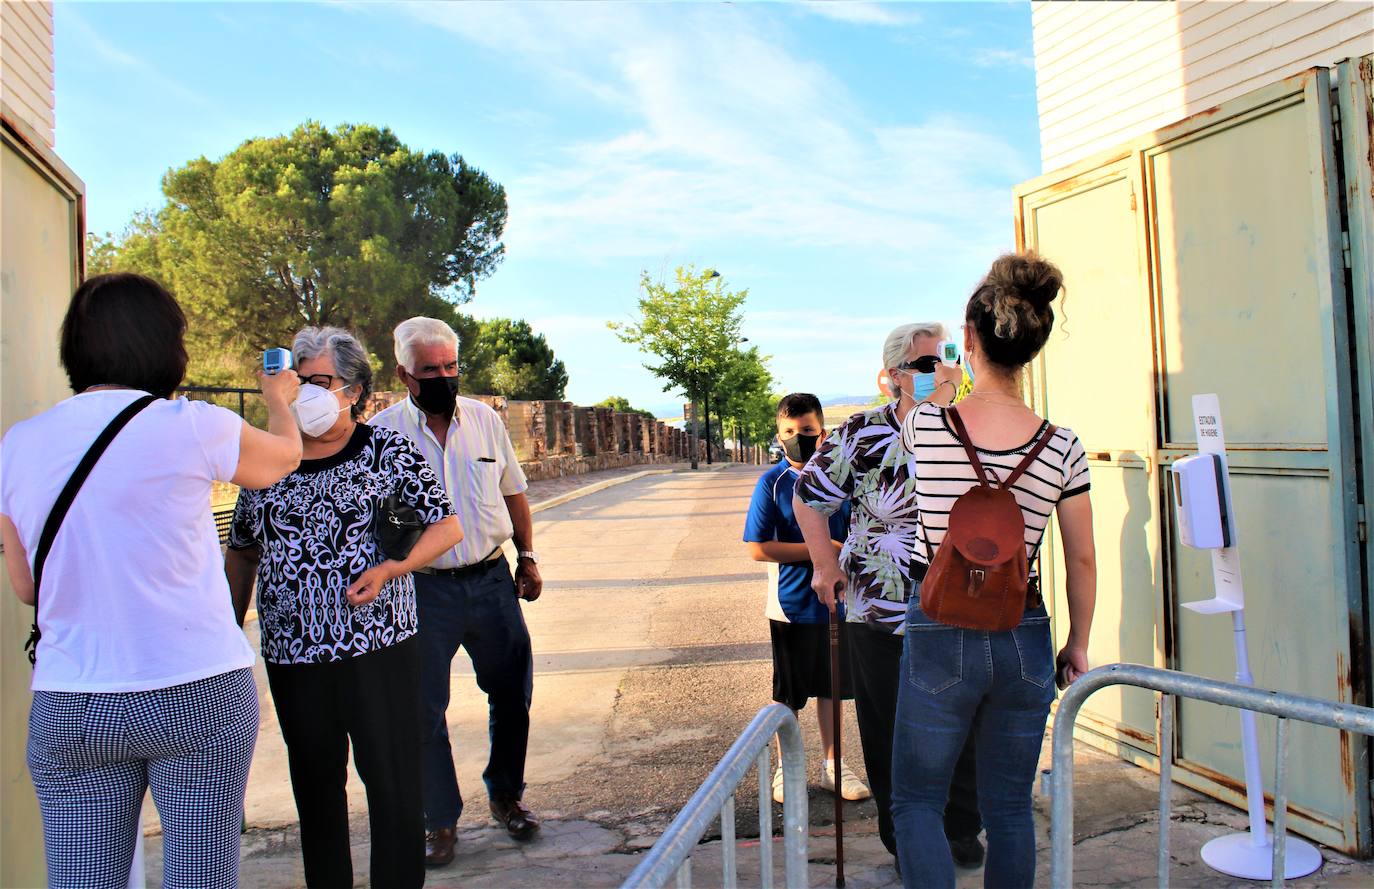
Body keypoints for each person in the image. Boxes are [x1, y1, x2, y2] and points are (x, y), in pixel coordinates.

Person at [0, 273, 302, 888]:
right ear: (165, 347)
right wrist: (279, 399)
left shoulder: (17, 445)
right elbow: (283, 461)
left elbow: (28, 588)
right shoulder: (191, 424)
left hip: (73, 701)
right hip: (196, 693)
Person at [225, 326, 461, 889]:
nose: (299, 392)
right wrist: (226, 627)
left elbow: (446, 526)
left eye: (316, 382)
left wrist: (393, 568)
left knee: (393, 783)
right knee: (315, 787)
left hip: (379, 647)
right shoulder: (268, 462)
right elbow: (241, 552)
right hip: (293, 655)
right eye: (294, 380)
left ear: (352, 391)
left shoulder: (388, 451)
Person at [890, 253, 1096, 888]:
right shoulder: (1063, 444)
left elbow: (903, 408)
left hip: (941, 624)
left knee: (918, 802)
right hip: (1021, 628)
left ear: (970, 339)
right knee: (1008, 808)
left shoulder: (927, 424)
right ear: (1032, 347)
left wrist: (946, 382)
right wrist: (1078, 643)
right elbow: (1082, 555)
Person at [793, 323, 984, 870]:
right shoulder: (861, 432)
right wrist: (825, 564)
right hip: (877, 604)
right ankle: (906, 840)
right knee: (888, 727)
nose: (938, 373)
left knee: (961, 717)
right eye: (925, 365)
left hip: (958, 603)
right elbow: (811, 498)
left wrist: (947, 410)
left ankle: (961, 824)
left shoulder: (966, 426)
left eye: (944, 361)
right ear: (896, 375)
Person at [370, 316, 544, 867]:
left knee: (512, 693)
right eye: (430, 370)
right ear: (403, 373)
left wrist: (529, 556)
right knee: (422, 709)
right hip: (421, 591)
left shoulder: (487, 423)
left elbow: (513, 492)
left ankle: (506, 795)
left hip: (491, 580)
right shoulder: (381, 434)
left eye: (451, 366)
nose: (444, 376)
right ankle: (439, 821)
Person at [743, 393, 867, 804]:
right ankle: (787, 768)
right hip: (791, 604)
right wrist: (820, 551)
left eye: (808, 431)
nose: (799, 439)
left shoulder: (841, 479)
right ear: (778, 437)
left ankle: (835, 765)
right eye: (790, 433)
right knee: (789, 692)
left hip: (840, 603)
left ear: (823, 433)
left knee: (835, 687)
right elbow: (758, 547)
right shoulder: (772, 483)